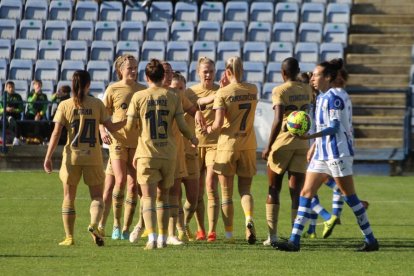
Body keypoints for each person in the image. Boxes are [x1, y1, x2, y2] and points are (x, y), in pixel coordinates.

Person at [274, 58, 379, 252]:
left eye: (316, 75)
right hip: (322, 153)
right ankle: (294, 240)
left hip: (337, 153)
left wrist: (310, 136)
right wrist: (314, 146)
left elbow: (334, 127)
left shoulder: (334, 98)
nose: (312, 78)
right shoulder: (320, 98)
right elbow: (323, 126)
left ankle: (371, 239)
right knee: (305, 193)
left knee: (350, 197)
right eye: (312, 75)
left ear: (328, 77)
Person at [43, 70, 126, 246]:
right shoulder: (96, 104)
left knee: (68, 197)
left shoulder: (65, 105)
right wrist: (128, 120)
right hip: (93, 157)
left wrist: (48, 156)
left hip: (71, 157)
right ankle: (94, 224)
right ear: (88, 85)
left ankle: (69, 237)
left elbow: (56, 133)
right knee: (97, 196)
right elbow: (111, 126)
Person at [126, 59, 198, 250]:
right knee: (164, 197)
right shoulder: (173, 96)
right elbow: (182, 126)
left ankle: (152, 238)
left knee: (148, 198)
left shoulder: (139, 96)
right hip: (169, 153)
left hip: (147, 152)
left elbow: (129, 127)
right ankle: (163, 238)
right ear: (163, 76)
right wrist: (192, 137)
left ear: (146, 77)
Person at [206, 56, 258, 244]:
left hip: (228, 145)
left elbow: (218, 124)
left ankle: (229, 235)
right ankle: (249, 218)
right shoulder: (253, 89)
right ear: (241, 70)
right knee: (245, 190)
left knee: (226, 193)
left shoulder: (223, 93)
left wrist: (207, 129)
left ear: (227, 72)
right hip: (248, 145)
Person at [261, 57, 313, 246]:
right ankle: (294, 235)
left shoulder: (280, 90)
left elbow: (277, 120)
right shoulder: (307, 89)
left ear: (283, 73)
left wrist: (268, 145)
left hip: (283, 143)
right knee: (296, 191)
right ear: (298, 70)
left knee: (273, 188)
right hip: (302, 144)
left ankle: (272, 236)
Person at [100, 54, 147, 240]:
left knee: (134, 185)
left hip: (137, 143)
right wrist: (103, 131)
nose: (134, 71)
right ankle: (116, 224)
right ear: (121, 70)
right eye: (130, 68)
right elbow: (102, 116)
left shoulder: (142, 90)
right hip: (118, 141)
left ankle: (127, 228)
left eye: (135, 67)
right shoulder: (113, 89)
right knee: (119, 181)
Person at [166, 71, 205, 245]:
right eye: (174, 88)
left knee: (193, 199)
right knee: (174, 193)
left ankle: (185, 223)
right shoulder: (166, 102)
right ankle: (178, 230)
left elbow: (201, 103)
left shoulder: (189, 102)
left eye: (181, 88)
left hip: (190, 153)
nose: (177, 92)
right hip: (173, 153)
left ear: (185, 88)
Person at [185, 57, 220, 242]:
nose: (208, 74)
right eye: (205, 71)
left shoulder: (221, 90)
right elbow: (195, 105)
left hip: (215, 144)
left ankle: (213, 231)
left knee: (210, 184)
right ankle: (200, 229)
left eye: (211, 71)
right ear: (198, 72)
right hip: (195, 145)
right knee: (197, 191)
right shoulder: (190, 92)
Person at [0, 81, 24, 145]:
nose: (11, 89)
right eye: (9, 87)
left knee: (17, 122)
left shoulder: (18, 97)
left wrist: (14, 110)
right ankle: (2, 138)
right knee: (3, 121)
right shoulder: (2, 97)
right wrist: (5, 109)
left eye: (12, 87)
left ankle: (16, 139)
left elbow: (21, 109)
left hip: (16, 115)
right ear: (6, 88)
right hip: (5, 115)